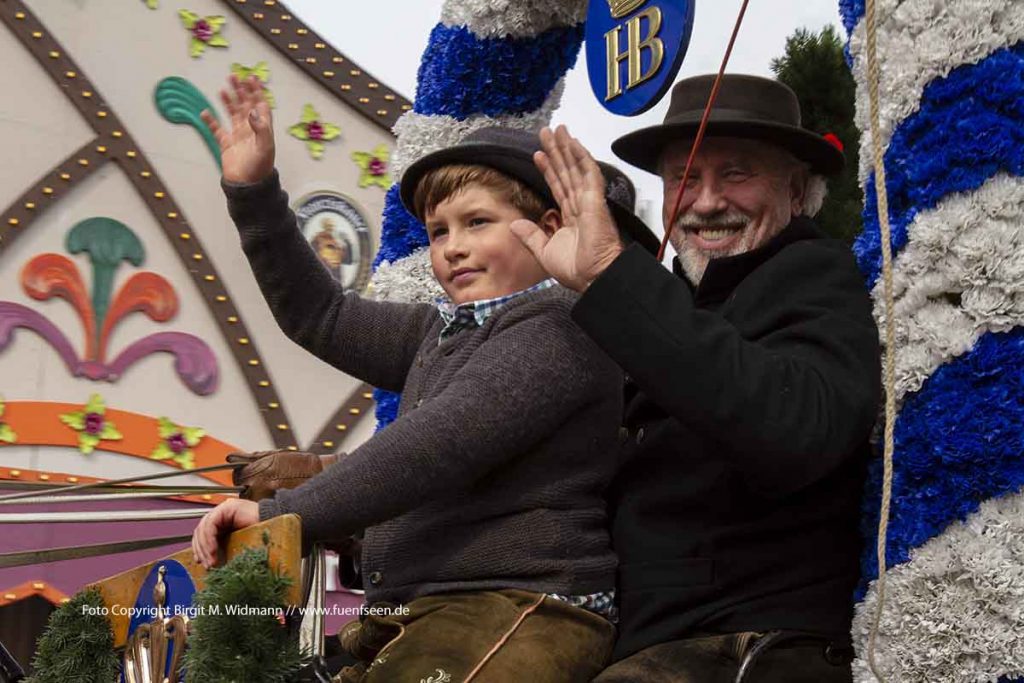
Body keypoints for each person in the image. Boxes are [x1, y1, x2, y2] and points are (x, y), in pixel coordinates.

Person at [190, 75, 658, 682]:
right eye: (439, 231)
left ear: (548, 228)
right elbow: (321, 315)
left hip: (520, 607)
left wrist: (286, 514)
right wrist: (252, 191)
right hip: (421, 611)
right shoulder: (442, 332)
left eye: (478, 223)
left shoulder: (560, 328)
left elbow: (436, 445)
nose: (453, 248)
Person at [510, 74, 882, 682]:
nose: (706, 202)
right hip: (619, 646)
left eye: (735, 174)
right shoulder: (667, 300)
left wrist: (611, 273)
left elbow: (795, 427)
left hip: (743, 650)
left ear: (794, 188)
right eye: (684, 177)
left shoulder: (816, 275)